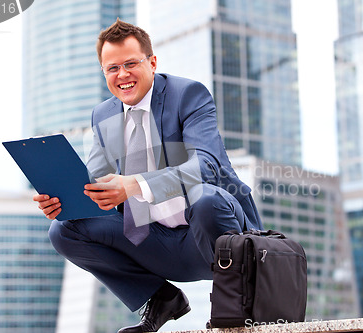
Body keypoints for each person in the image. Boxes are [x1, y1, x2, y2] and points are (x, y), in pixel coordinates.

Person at [34, 19, 262, 333]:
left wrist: (135, 185)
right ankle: (160, 298)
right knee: (63, 230)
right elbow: (97, 183)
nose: (122, 75)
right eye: (112, 68)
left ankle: (241, 301)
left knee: (205, 198)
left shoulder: (188, 95)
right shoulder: (103, 115)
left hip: (216, 236)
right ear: (104, 73)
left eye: (131, 64)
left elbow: (206, 166)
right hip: (155, 242)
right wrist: (64, 200)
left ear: (152, 62)